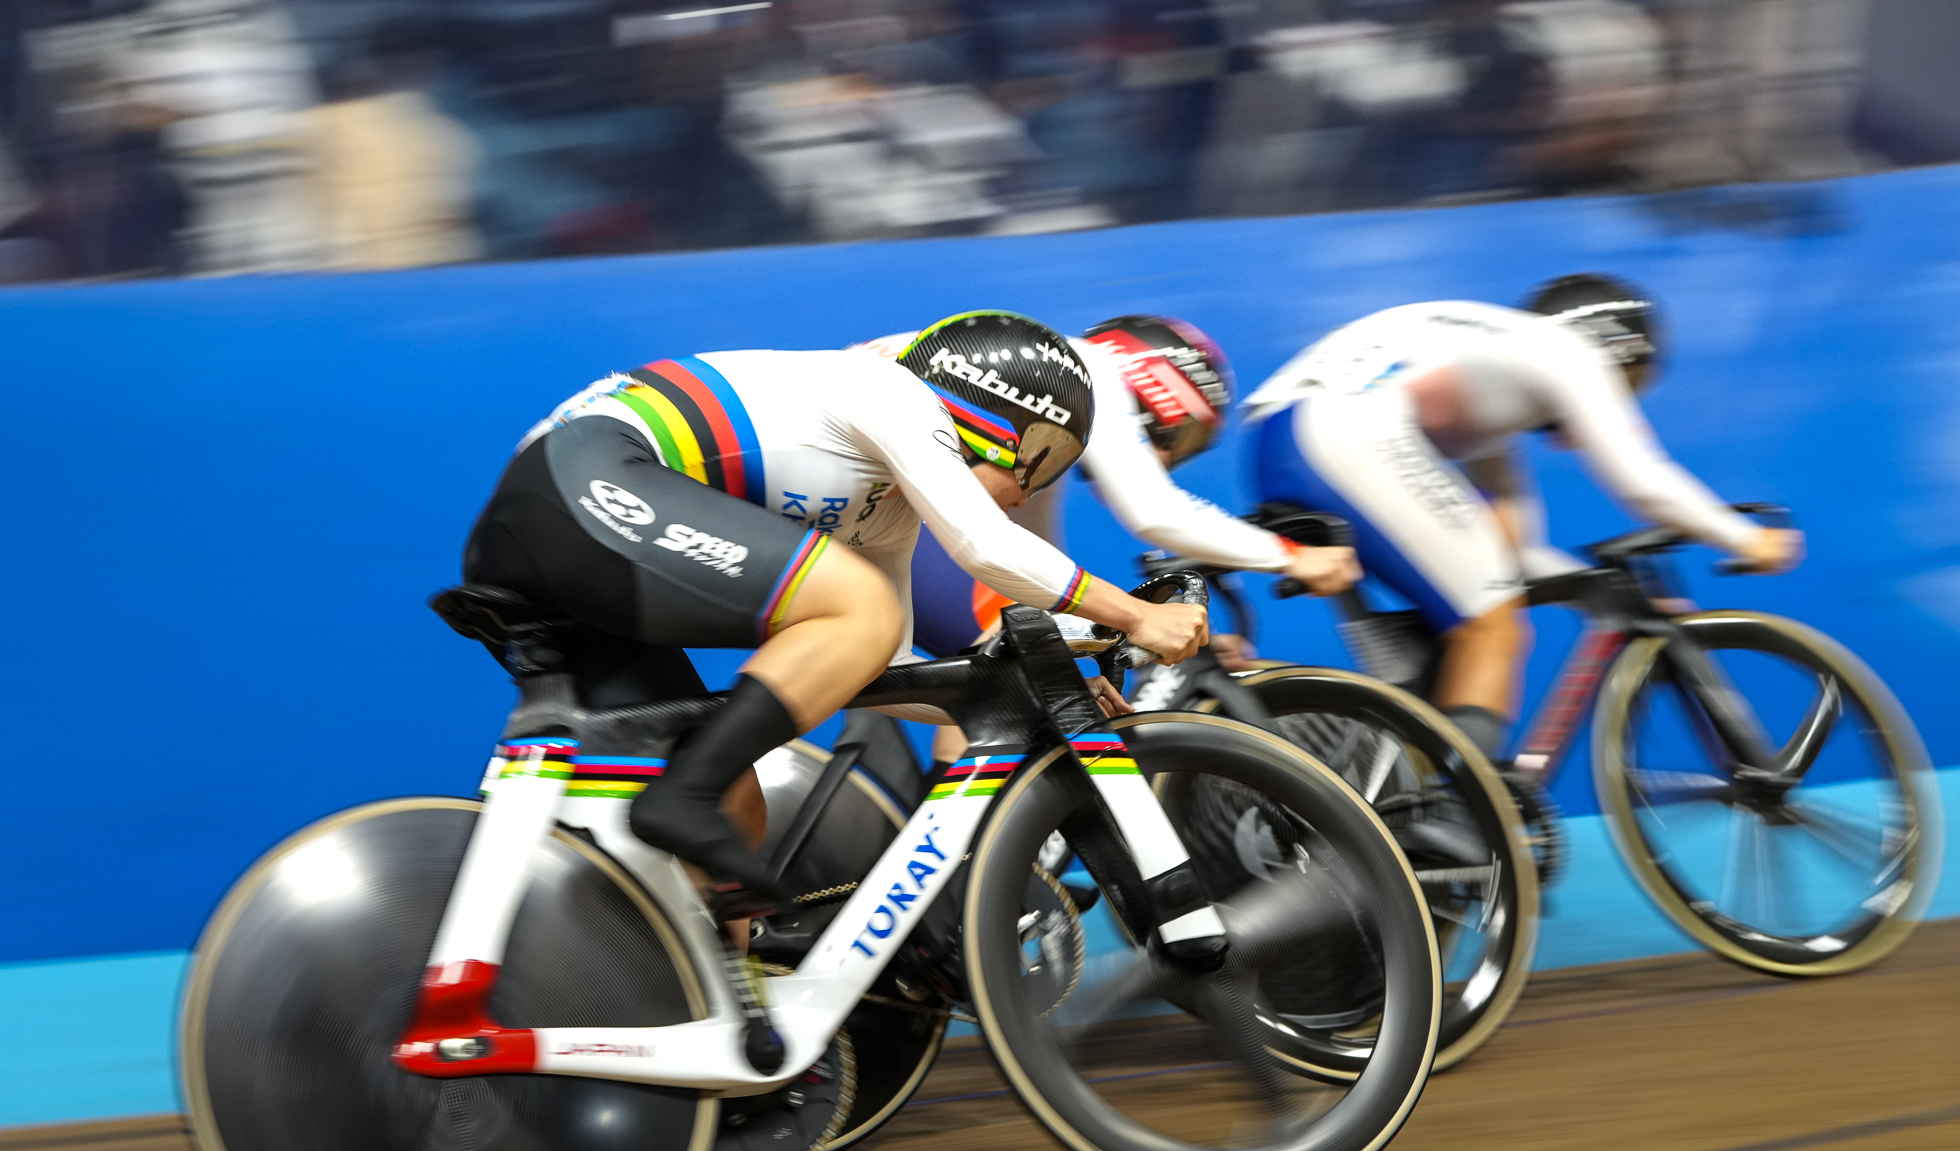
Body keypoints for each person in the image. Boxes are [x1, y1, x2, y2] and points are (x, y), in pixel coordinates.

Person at [460, 311, 1208, 918]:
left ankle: (728, 1014)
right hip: (577, 482)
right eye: (1040, 467)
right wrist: (1135, 618)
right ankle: (680, 796)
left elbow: (879, 663)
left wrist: (1026, 689)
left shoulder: (882, 513)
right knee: (858, 605)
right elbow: (983, 545)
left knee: (739, 803)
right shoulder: (891, 396)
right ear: (1009, 427)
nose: (1027, 493)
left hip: (574, 523)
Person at [1245, 273, 1804, 765]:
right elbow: (1641, 479)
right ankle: (1461, 820)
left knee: (1475, 621)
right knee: (1494, 629)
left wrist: (1605, 599)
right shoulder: (1568, 354)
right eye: (1629, 389)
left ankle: (1398, 808)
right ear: (1617, 350)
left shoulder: (1493, 376)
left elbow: (1509, 549)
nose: (1617, 404)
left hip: (1281, 440)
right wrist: (1745, 538)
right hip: (1339, 432)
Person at [857, 313, 1360, 770]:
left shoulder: (1032, 419)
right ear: (1158, 392)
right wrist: (1292, 557)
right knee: (1014, 671)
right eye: (1179, 439)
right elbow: (1156, 511)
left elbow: (1035, 574)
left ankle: (966, 847)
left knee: (1014, 663)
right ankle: (967, 857)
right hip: (871, 501)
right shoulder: (1094, 374)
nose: (1163, 460)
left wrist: (1142, 634)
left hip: (853, 495)